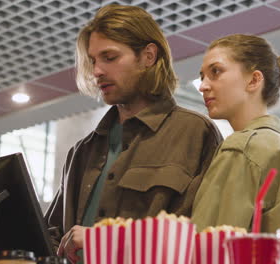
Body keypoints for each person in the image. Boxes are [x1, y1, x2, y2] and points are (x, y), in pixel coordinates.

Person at [44, 4, 222, 262]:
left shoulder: (194, 133)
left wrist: (104, 241)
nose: (97, 71)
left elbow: (200, 235)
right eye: (93, 60)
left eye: (110, 57)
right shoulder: (82, 152)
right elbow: (52, 238)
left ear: (148, 56)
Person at [191, 34, 280, 233]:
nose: (203, 86)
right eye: (202, 76)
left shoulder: (244, 149)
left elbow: (208, 245)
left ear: (254, 80)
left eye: (216, 71)